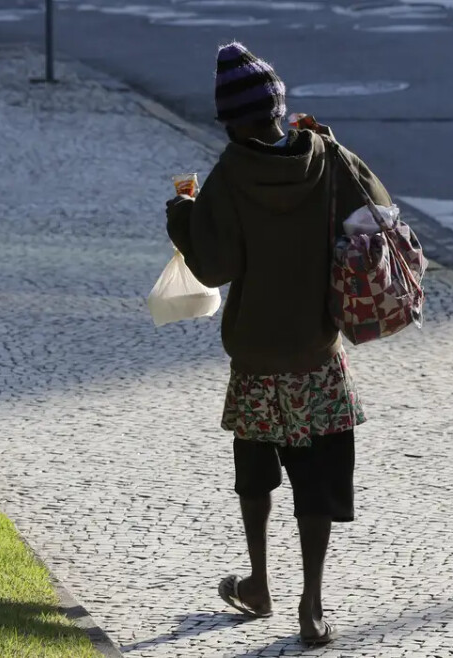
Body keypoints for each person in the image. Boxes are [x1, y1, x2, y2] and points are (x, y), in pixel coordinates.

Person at [164, 41, 392, 647]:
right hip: (317, 354)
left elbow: (213, 268)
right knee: (317, 478)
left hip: (258, 359)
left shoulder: (230, 175)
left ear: (232, 122)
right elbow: (380, 211)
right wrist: (335, 143)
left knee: (257, 475)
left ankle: (259, 582)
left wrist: (182, 216)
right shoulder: (326, 156)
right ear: (279, 109)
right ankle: (311, 605)